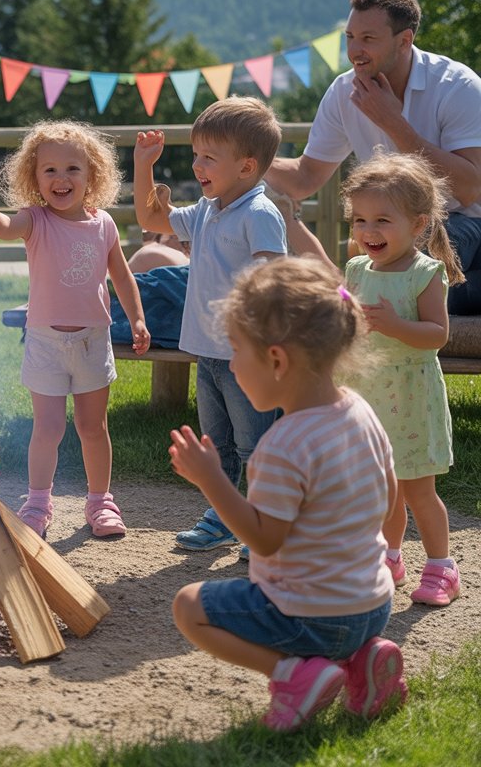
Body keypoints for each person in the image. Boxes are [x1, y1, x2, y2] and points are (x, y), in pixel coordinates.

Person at [170, 258, 405, 732]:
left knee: (189, 607)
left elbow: (265, 540)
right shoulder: (359, 410)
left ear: (276, 360)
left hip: (310, 616)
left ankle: (295, 676)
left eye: (235, 350)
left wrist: (212, 480)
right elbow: (390, 492)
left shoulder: (282, 445)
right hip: (373, 604)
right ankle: (362, 662)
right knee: (341, 626)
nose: (231, 365)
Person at [284, 152, 462, 607]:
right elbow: (344, 303)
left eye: (383, 220)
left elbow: (437, 336)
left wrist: (394, 324)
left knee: (419, 492)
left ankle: (442, 568)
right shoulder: (359, 268)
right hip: (367, 398)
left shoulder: (425, 273)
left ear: (419, 223)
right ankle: (390, 558)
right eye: (359, 220)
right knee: (383, 491)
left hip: (411, 395)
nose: (368, 232)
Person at [0, 120, 150, 539]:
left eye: (72, 169)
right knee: (48, 429)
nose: (61, 178)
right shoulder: (34, 220)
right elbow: (4, 227)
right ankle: (38, 501)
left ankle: (100, 501)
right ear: (34, 178)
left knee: (93, 428)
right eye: (49, 170)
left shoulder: (104, 224)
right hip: (46, 342)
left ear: (93, 176)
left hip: (91, 341)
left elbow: (121, 277)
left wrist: (137, 318)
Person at [265, 0, 481, 313]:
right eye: (350, 38)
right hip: (397, 229)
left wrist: (394, 123)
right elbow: (304, 178)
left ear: (404, 40)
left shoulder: (458, 86)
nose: (355, 51)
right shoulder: (342, 92)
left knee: (404, 264)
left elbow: (468, 190)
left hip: (463, 221)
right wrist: (243, 158)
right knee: (393, 273)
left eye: (368, 39)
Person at [134, 97, 286, 555]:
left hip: (247, 360)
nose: (197, 164)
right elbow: (150, 219)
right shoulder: (206, 209)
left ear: (247, 166)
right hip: (207, 351)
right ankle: (224, 517)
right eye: (196, 153)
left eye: (208, 157)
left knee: (255, 448)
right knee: (216, 447)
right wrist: (143, 166)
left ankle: (264, 527)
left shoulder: (259, 215)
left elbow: (271, 280)